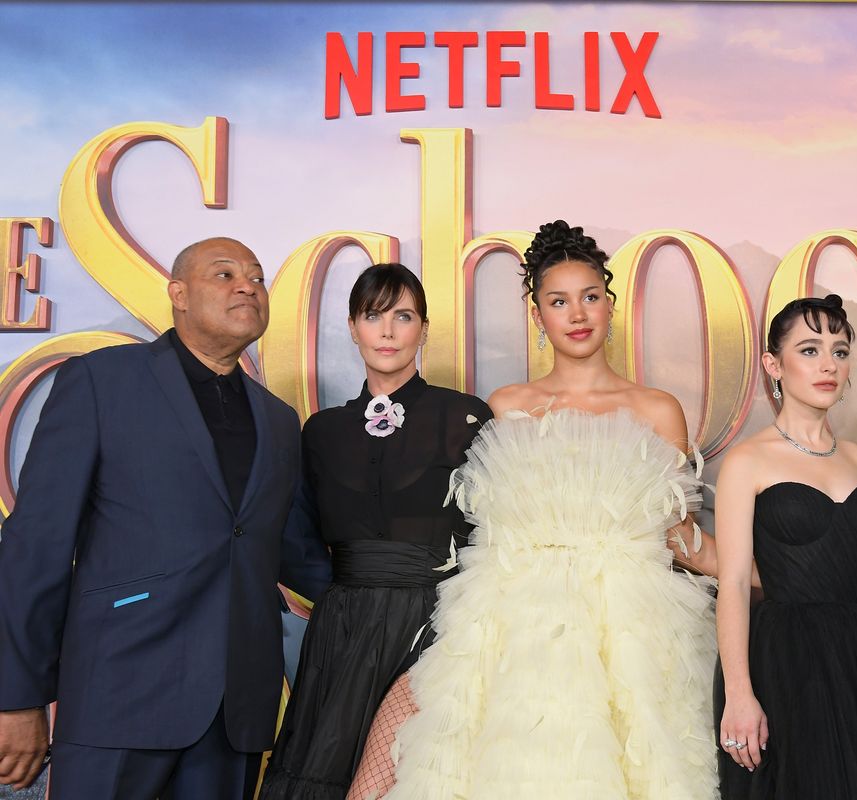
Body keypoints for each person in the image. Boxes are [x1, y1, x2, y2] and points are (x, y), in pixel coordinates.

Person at [379, 220, 719, 799]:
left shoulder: (657, 409)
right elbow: (483, 532)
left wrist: (783, 577)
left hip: (631, 629)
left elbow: (680, 535)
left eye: (590, 297)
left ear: (609, 307)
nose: (578, 313)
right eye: (559, 301)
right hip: (520, 629)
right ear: (538, 317)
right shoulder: (508, 407)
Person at [0, 238, 332, 798]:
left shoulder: (278, 420)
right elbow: (37, 542)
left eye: (256, 277)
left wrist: (397, 599)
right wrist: (17, 696)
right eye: (224, 274)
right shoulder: (101, 381)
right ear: (177, 294)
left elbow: (289, 551)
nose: (247, 286)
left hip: (236, 713)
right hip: (119, 693)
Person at [259, 264, 491, 798]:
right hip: (343, 628)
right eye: (373, 315)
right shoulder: (321, 431)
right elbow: (296, 538)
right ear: (353, 326)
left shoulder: (466, 417)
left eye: (403, 316)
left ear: (424, 328)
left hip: (439, 626)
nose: (387, 331)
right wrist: (345, 595)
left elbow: (490, 533)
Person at [714, 295, 857, 799]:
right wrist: (738, 693)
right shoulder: (747, 461)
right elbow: (731, 582)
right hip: (786, 661)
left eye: (840, 352)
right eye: (810, 349)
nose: (828, 365)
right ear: (774, 365)